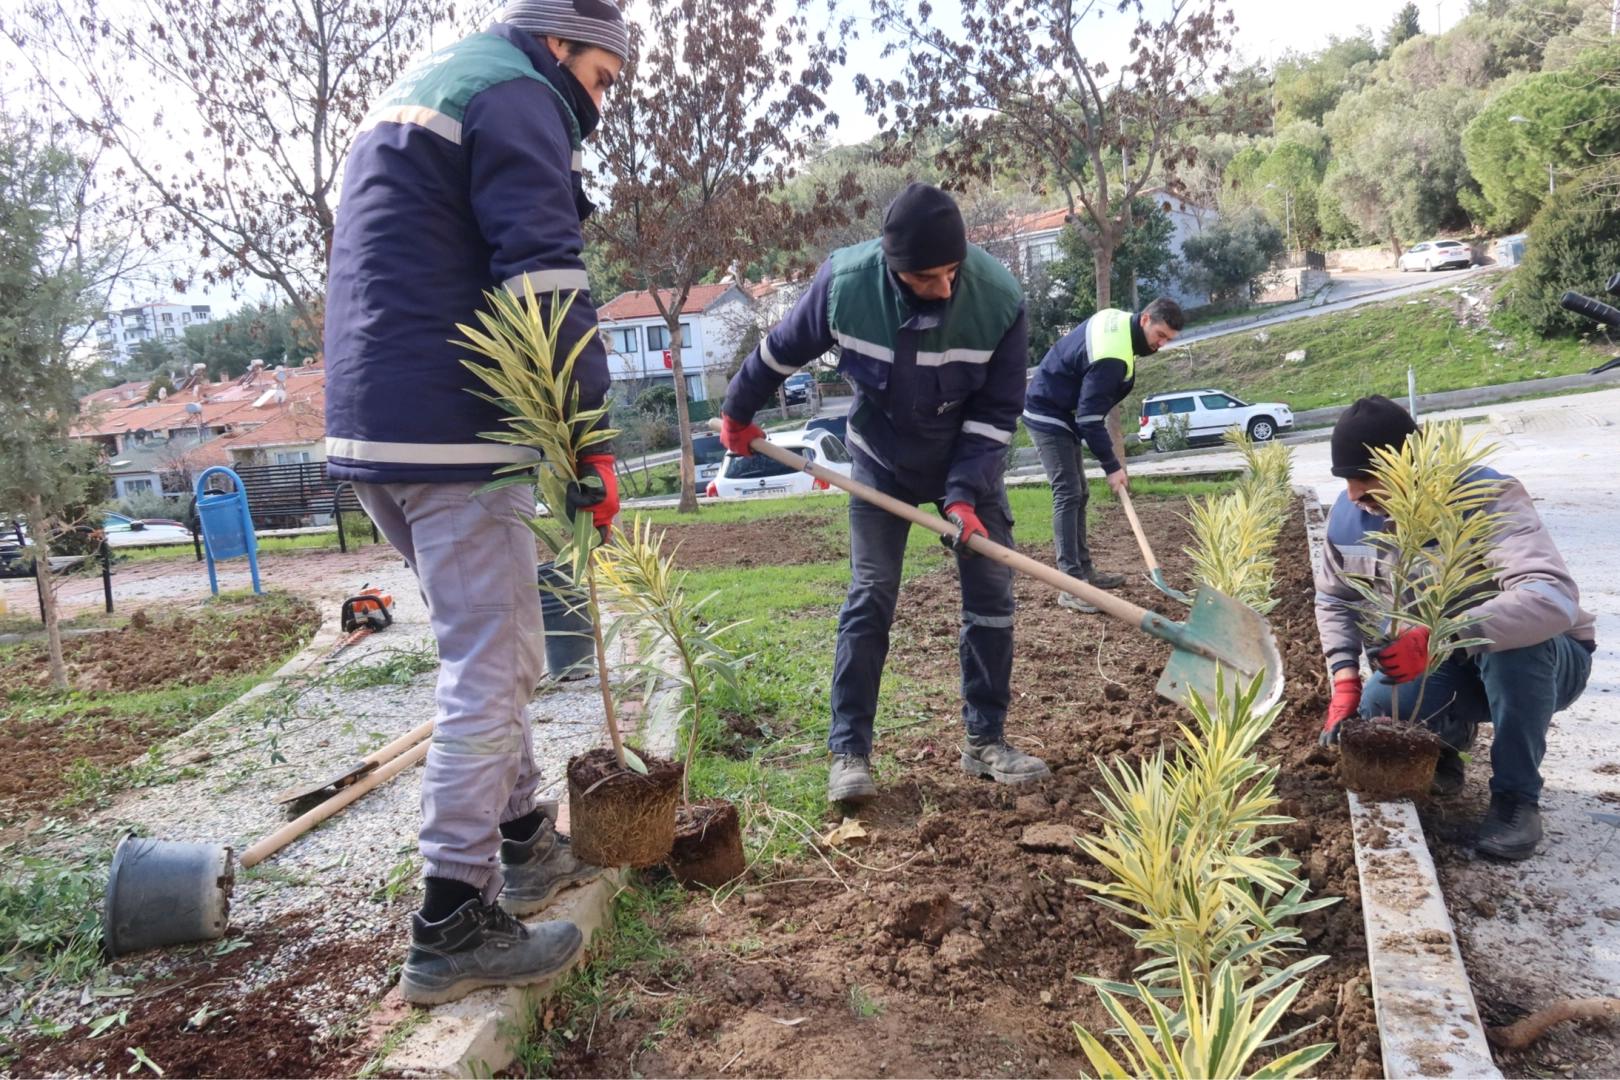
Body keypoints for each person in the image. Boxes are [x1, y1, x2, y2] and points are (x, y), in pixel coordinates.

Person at [322, 0, 627, 1004]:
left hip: (380, 424)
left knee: (503, 652)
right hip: (449, 428)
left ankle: (525, 842)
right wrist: (589, 433)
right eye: (599, 78)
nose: (599, 105)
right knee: (490, 669)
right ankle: (452, 921)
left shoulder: (436, 84)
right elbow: (544, 271)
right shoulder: (516, 94)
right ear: (558, 45)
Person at [719, 183, 1048, 805]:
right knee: (871, 593)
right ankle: (850, 753)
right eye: (928, 276)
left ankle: (985, 740)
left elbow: (998, 411)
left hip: (965, 463)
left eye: (954, 270)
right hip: (879, 459)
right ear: (894, 269)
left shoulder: (999, 300)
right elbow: (779, 351)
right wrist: (738, 412)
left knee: (991, 595)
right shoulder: (844, 285)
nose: (946, 287)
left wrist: (964, 494)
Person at [1315, 396, 1596, 861]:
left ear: (1410, 468)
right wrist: (1344, 679)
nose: (1353, 494)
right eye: (1346, 480)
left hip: (1545, 664)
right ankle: (1445, 743)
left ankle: (1516, 799)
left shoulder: (1486, 497)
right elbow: (1334, 599)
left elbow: (1552, 597)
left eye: (1366, 479)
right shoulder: (1350, 516)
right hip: (1450, 666)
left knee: (1511, 648)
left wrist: (1443, 634)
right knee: (1380, 702)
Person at [1022, 299, 1184, 613]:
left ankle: (1085, 572)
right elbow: (1089, 418)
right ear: (1146, 319)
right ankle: (1071, 585)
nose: (1161, 344)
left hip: (1060, 409)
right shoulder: (1114, 355)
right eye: (1160, 335)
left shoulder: (1118, 320)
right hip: (1047, 412)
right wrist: (1112, 466)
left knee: (1079, 493)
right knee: (1068, 494)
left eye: (1168, 340)